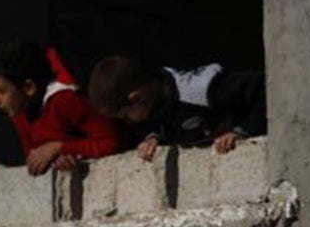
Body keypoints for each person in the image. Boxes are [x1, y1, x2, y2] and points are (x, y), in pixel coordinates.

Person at [86, 57, 267, 160]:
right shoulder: (155, 103)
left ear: (135, 99)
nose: (129, 122)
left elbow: (265, 88)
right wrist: (154, 137)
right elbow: (165, 122)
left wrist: (242, 131)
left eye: (126, 116)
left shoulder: (203, 90)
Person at [0, 43, 123, 176]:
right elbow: (34, 156)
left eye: (1, 91)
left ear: (29, 88)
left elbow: (113, 142)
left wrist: (59, 148)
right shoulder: (19, 110)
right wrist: (55, 158)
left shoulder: (66, 100)